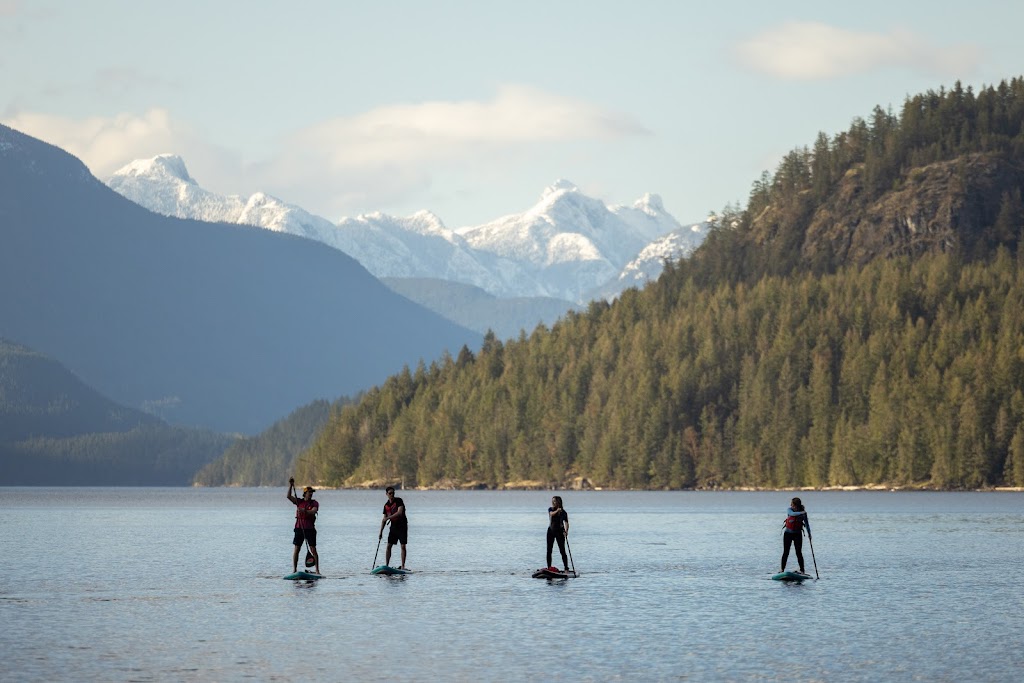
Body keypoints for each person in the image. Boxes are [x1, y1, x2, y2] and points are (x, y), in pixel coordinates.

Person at [287, 477, 320, 574]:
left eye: (312, 492)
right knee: (297, 549)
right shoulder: (299, 502)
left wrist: (304, 511)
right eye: (309, 492)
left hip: (310, 529)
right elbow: (289, 496)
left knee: (313, 549)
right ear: (305, 493)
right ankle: (294, 570)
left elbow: (314, 511)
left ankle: (317, 570)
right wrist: (291, 486)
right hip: (299, 528)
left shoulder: (314, 503)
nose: (311, 493)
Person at [379, 486, 407, 569]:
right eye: (390, 493)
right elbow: (384, 520)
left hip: (402, 525)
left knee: (403, 546)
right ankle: (387, 565)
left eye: (393, 493)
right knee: (389, 546)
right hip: (394, 526)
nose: (392, 495)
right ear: (386, 494)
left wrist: (388, 518)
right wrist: (380, 532)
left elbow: (399, 512)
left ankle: (403, 566)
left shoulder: (399, 501)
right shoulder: (386, 505)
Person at [780, 496, 810, 574]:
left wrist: (809, 534)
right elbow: (792, 514)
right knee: (786, 552)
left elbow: (807, 524)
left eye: (793, 505)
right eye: (791, 505)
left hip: (798, 534)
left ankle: (802, 570)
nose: (791, 506)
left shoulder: (803, 514)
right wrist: (802, 512)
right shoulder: (789, 510)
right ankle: (782, 569)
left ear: (797, 505)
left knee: (798, 552)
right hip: (788, 534)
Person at [546, 495, 570, 572]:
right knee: (549, 550)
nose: (553, 502)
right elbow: (551, 514)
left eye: (555, 501)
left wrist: (566, 531)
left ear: (559, 502)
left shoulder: (564, 512)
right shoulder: (551, 509)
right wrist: (557, 511)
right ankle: (549, 567)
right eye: (552, 501)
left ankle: (566, 568)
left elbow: (566, 523)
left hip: (560, 532)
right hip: (551, 531)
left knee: (562, 550)